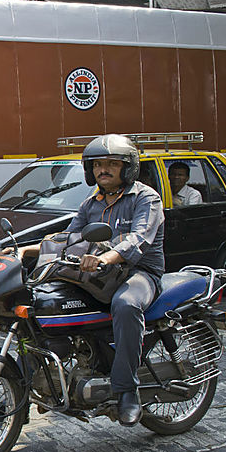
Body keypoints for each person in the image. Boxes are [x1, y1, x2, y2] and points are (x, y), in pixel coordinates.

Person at [20, 134, 165, 426]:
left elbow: (138, 239)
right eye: (98, 164)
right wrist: (25, 250)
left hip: (138, 274)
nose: (104, 169)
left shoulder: (146, 198)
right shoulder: (91, 203)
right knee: (39, 303)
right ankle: (26, 390)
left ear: (128, 168)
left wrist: (105, 257)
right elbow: (71, 238)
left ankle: (127, 391)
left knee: (125, 306)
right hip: (97, 277)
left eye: (112, 163)